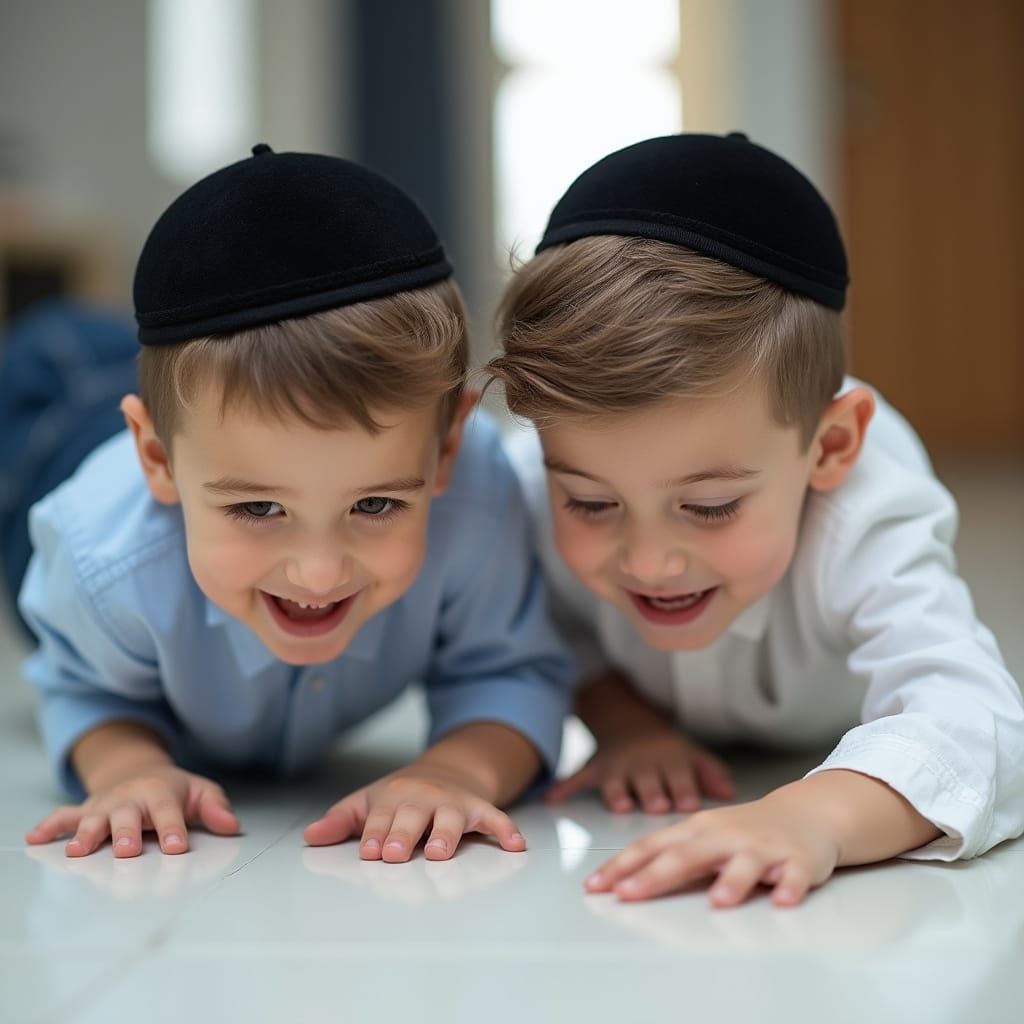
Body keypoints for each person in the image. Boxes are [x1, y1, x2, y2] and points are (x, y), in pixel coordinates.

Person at [486, 132, 1024, 908]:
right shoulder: (533, 482)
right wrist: (629, 727)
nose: (649, 561)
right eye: (594, 504)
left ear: (829, 446)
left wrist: (813, 816)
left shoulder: (867, 509)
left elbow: (981, 722)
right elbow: (554, 632)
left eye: (709, 506)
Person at [19, 144, 571, 861]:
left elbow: (509, 673)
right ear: (156, 460)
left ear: (445, 450)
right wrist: (129, 767)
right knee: (56, 360)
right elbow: (86, 690)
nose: (317, 574)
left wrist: (454, 770)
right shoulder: (103, 555)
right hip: (53, 432)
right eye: (257, 509)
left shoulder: (480, 508)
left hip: (199, 434)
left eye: (374, 505)